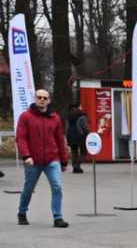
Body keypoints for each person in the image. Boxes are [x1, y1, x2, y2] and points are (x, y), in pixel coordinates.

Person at [16, 89, 69, 227]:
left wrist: (63, 161)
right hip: (33, 160)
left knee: (57, 186)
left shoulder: (55, 118)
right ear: (34, 98)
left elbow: (59, 140)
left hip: (52, 159)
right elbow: (21, 138)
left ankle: (58, 217)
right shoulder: (25, 116)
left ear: (49, 100)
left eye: (45, 98)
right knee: (28, 188)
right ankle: (22, 212)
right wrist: (26, 155)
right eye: (39, 97)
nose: (42, 100)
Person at [65, 102, 90, 173]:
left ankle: (74, 167)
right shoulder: (82, 115)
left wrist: (67, 135)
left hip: (71, 136)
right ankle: (77, 164)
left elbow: (66, 128)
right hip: (81, 136)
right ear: (78, 108)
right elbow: (85, 127)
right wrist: (89, 134)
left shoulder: (68, 117)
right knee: (84, 151)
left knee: (74, 152)